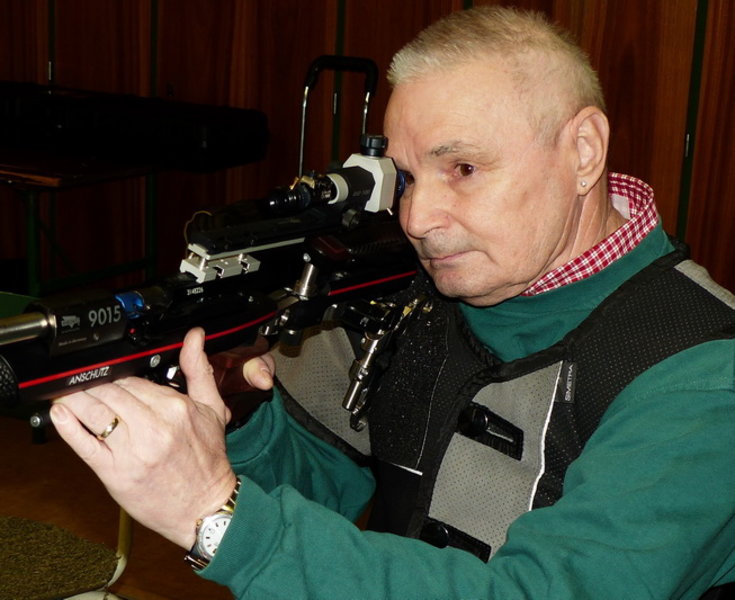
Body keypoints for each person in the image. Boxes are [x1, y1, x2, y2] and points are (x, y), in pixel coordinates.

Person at [49, 6, 735, 599]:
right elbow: (320, 487)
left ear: (583, 151)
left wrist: (214, 518)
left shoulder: (702, 373)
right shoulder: (412, 292)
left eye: (462, 168)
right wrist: (237, 415)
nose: (416, 218)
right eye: (405, 178)